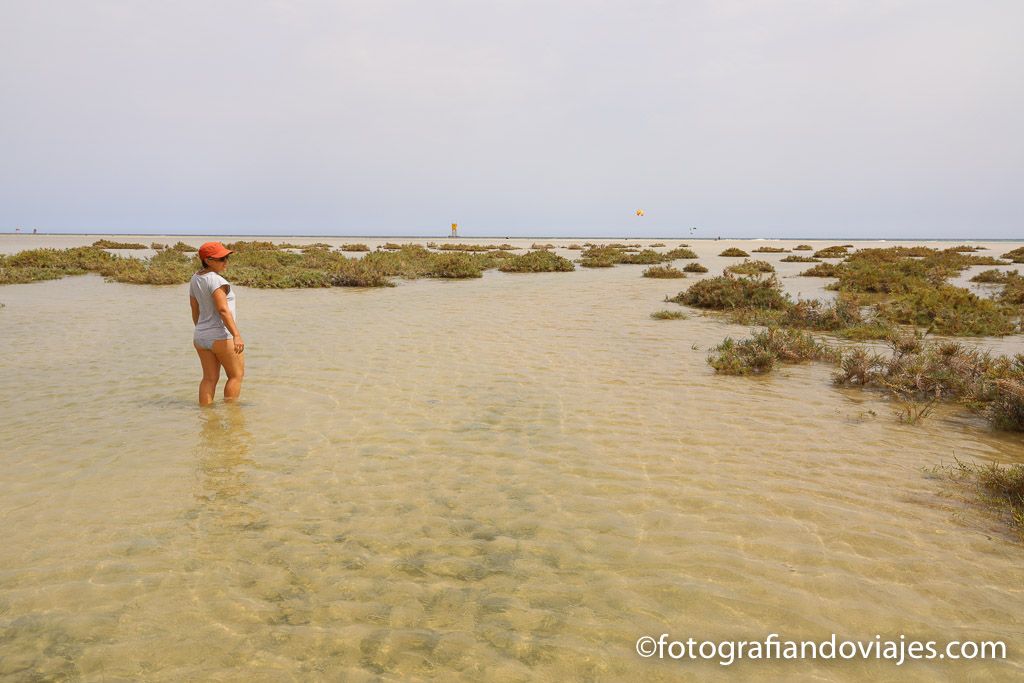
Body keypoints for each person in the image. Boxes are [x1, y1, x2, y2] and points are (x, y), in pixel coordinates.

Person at [190, 242, 245, 405]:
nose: (225, 261)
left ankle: (207, 420)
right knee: (236, 376)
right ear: (207, 260)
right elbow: (222, 310)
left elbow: (194, 307)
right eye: (221, 258)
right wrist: (236, 335)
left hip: (200, 336)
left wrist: (201, 329)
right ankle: (232, 415)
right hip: (221, 336)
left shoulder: (195, 278)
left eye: (226, 257)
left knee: (209, 378)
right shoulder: (217, 280)